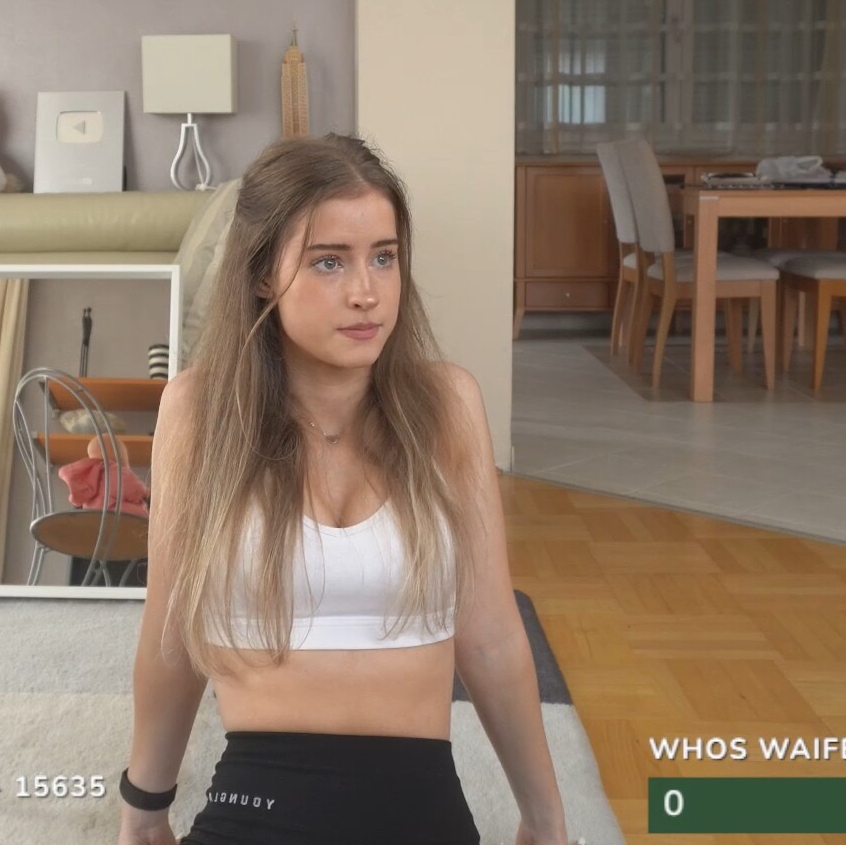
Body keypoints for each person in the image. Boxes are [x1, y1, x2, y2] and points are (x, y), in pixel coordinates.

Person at [119, 135, 570, 845]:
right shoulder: (200, 413)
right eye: (329, 261)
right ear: (262, 273)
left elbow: (490, 640)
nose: (367, 292)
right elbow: (171, 637)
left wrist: (545, 821)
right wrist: (144, 807)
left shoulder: (446, 406)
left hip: (418, 812)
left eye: (383, 257)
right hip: (254, 806)